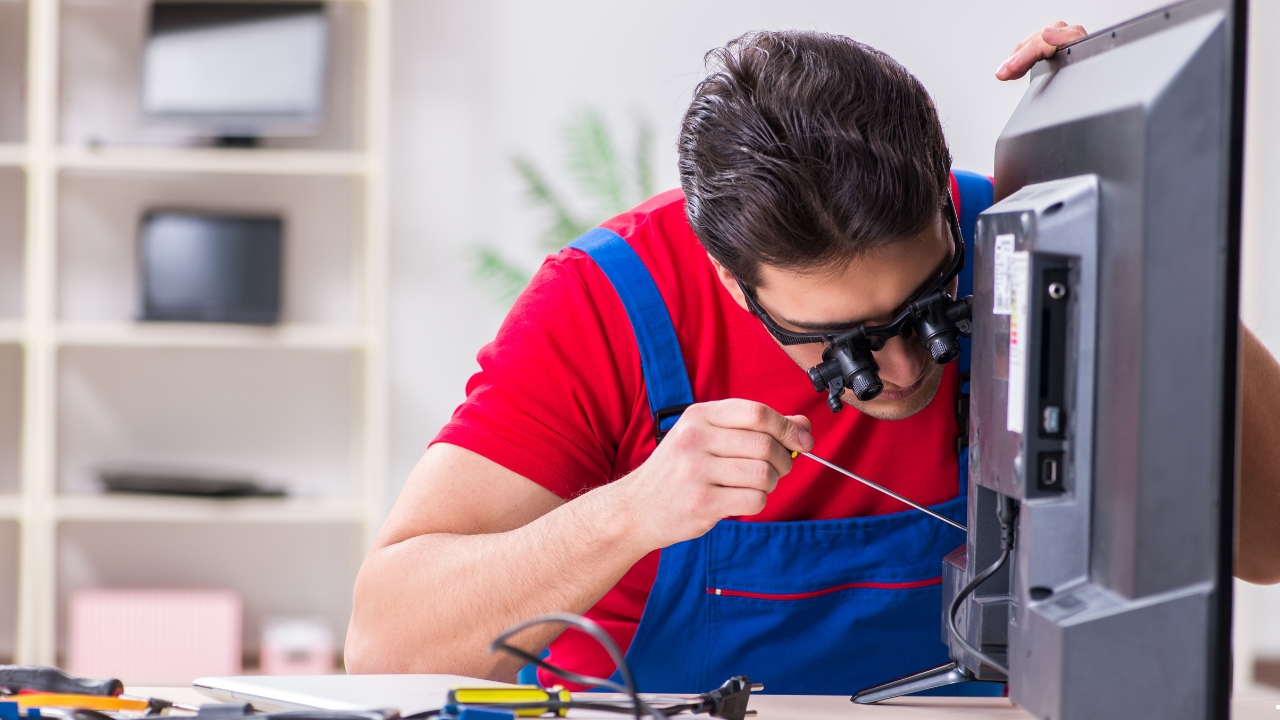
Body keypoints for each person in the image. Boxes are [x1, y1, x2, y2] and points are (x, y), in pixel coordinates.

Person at [346, 22, 1280, 695]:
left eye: (928, 310)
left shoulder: (1028, 241)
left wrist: (1155, 229)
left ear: (948, 213)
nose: (908, 372)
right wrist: (631, 513)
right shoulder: (606, 305)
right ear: (727, 280)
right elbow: (386, 642)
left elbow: (1271, 545)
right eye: (843, 348)